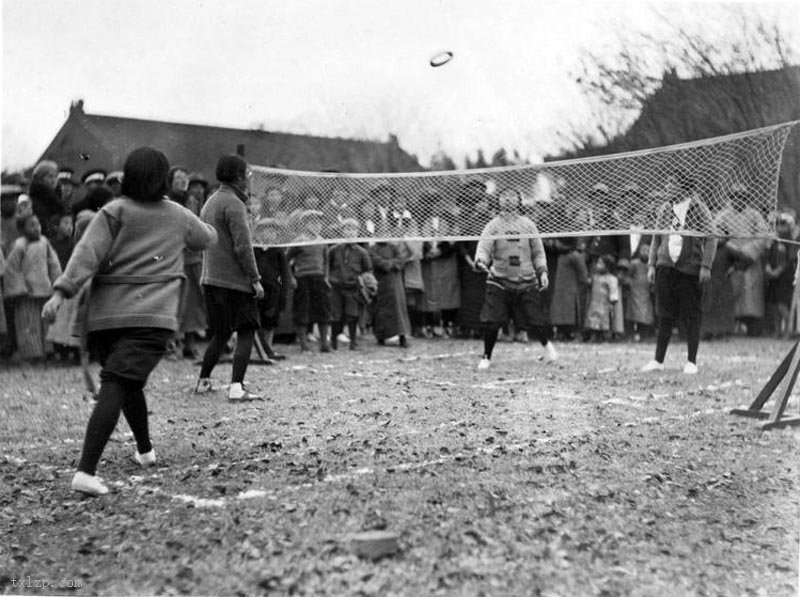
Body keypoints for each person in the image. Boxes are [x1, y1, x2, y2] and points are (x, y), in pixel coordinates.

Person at [41, 147, 217, 496]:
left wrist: (60, 293)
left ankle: (145, 451)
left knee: (127, 382)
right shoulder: (178, 215)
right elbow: (206, 238)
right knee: (120, 382)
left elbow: (85, 255)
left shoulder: (114, 211)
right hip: (153, 318)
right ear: (165, 179)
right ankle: (86, 471)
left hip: (105, 319)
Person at [195, 155, 264, 400]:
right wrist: (254, 279)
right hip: (234, 282)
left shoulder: (210, 202)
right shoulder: (234, 204)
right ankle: (237, 387)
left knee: (221, 333)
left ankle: (203, 381)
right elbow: (243, 247)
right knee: (247, 330)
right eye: (245, 174)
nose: (248, 178)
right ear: (237, 177)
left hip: (210, 280)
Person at [641, 171, 717, 375]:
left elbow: (712, 237)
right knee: (664, 314)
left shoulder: (698, 208)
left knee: (691, 315)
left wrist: (705, 266)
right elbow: (656, 239)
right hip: (665, 267)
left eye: (672, 182)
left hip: (689, 269)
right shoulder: (664, 208)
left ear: (684, 187)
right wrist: (651, 265)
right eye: (666, 182)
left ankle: (691, 361)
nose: (667, 186)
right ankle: (658, 360)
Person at [474, 187, 556, 369]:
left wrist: (542, 272)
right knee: (492, 322)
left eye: (512, 196)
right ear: (499, 200)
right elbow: (484, 247)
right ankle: (486, 357)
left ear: (519, 200)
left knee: (537, 319)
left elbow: (538, 252)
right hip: (499, 279)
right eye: (504, 196)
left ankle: (548, 348)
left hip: (526, 280)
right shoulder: (493, 225)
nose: (508, 200)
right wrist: (481, 260)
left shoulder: (528, 225)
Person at [4, 212, 62, 361]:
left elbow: (53, 264)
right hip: (26, 292)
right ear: (22, 229)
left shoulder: (45, 242)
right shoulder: (19, 245)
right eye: (32, 225)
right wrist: (18, 288)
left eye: (38, 224)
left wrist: (57, 282)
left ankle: (48, 350)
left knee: (46, 323)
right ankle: (32, 354)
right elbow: (12, 268)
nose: (36, 228)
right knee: (28, 324)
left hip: (44, 287)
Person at [286, 210, 332, 352]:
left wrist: (326, 278)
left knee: (323, 310)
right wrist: (291, 278)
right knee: (302, 311)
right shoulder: (299, 241)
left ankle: (324, 344)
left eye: (318, 222)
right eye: (312, 222)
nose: (316, 225)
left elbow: (326, 262)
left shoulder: (323, 241)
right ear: (304, 224)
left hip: (319, 279)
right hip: (303, 279)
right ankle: (303, 345)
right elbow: (286, 260)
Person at [328, 218, 372, 350]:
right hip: (336, 287)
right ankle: (333, 342)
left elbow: (368, 269)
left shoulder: (362, 252)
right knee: (336, 315)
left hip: (353, 288)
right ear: (342, 232)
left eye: (353, 230)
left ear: (357, 232)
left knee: (352, 315)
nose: (350, 233)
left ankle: (353, 341)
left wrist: (363, 282)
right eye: (347, 229)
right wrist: (331, 279)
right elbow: (328, 266)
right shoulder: (334, 249)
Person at [252, 217, 292, 360]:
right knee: (254, 320)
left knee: (270, 321)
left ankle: (268, 349)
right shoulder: (253, 250)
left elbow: (285, 273)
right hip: (255, 290)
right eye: (266, 231)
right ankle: (255, 350)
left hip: (273, 290)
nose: (269, 234)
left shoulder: (278, 251)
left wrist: (284, 291)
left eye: (273, 232)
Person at [584, 256, 619, 342]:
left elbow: (614, 291)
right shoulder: (595, 277)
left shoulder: (611, 279)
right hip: (594, 302)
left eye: (601, 264)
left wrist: (612, 302)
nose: (597, 265)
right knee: (593, 318)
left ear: (607, 266)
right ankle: (594, 336)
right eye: (598, 263)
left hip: (605, 304)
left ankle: (605, 337)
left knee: (604, 320)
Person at [28, 160, 63, 239]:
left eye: (55, 176)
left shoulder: (57, 199)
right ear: (40, 179)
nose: (54, 180)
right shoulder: (34, 202)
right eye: (50, 176)